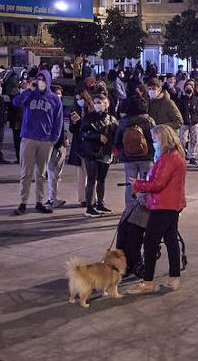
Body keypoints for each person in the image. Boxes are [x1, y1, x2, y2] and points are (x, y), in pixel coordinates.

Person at [127, 125, 187, 295]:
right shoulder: (175, 155)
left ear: (163, 138)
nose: (153, 142)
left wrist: (138, 185)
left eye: (154, 139)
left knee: (150, 243)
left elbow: (158, 184)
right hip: (172, 204)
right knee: (171, 241)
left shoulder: (168, 158)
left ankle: (148, 281)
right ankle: (174, 278)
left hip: (163, 205)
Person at [11, 70, 62, 216]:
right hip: (28, 138)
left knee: (41, 174)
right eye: (38, 79)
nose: (40, 81)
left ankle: (39, 201)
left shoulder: (54, 99)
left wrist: (53, 139)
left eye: (43, 79)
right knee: (26, 173)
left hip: (45, 141)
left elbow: (58, 121)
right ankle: (23, 202)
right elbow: (16, 102)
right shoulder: (30, 95)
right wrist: (29, 90)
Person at [75, 92, 118, 217]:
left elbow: (115, 135)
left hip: (105, 152)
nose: (97, 105)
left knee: (102, 179)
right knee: (91, 179)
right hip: (90, 151)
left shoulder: (111, 119)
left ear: (106, 104)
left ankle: (100, 203)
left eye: (100, 102)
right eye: (96, 102)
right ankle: (89, 206)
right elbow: (83, 133)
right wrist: (97, 136)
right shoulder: (88, 117)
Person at [115, 94, 156, 203]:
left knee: (130, 184)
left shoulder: (123, 121)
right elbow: (154, 139)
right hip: (146, 157)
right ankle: (145, 206)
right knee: (146, 183)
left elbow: (117, 141)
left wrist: (123, 152)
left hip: (129, 158)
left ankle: (129, 207)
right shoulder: (148, 120)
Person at [177, 82, 198, 164]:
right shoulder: (181, 99)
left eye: (190, 87)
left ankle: (192, 157)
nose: (189, 89)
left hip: (194, 123)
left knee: (194, 140)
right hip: (184, 123)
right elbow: (178, 111)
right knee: (182, 140)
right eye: (187, 88)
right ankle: (183, 155)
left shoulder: (196, 99)